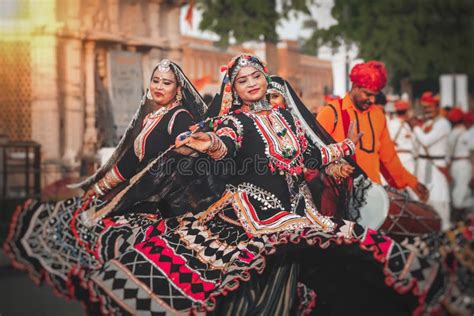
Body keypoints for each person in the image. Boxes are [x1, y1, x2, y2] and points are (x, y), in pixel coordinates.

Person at [79, 55, 463, 315]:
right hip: (254, 215)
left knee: (350, 256)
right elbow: (225, 144)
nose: (250, 84)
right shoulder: (237, 122)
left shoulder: (287, 118)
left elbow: (309, 157)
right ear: (234, 87)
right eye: (241, 80)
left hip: (299, 212)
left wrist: (345, 148)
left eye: (255, 77)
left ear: (266, 79)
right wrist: (209, 143)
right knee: (245, 287)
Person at [3, 59, 208, 299]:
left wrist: (188, 146)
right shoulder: (150, 119)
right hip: (140, 202)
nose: (159, 87)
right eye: (155, 81)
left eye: (166, 83)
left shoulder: (179, 117)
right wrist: (97, 188)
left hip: (163, 210)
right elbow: (129, 163)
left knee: (139, 276)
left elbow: (186, 158)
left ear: (179, 89)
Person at [316, 61, 429, 202]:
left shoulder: (378, 116)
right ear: (355, 86)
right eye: (368, 94)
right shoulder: (331, 113)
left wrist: (413, 183)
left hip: (371, 197)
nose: (372, 100)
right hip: (337, 198)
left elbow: (389, 159)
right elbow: (315, 157)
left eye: (375, 95)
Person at [412, 91, 451, 229]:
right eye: (425, 107)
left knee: (438, 198)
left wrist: (415, 127)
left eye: (429, 107)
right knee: (423, 199)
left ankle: (444, 229)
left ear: (436, 107)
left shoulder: (443, 124)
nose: (427, 110)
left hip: (436, 166)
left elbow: (426, 141)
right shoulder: (427, 123)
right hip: (423, 165)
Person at [446, 107, 473, 220]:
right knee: (461, 194)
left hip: (456, 165)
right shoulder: (467, 133)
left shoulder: (451, 133)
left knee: (457, 196)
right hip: (464, 165)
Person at [387, 99, 417, 174]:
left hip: (399, 157)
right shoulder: (406, 125)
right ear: (407, 111)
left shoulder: (392, 123)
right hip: (405, 158)